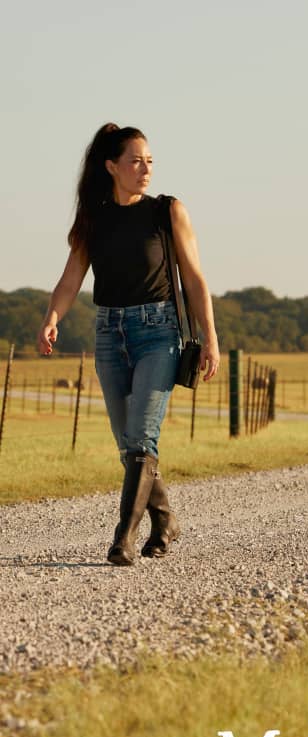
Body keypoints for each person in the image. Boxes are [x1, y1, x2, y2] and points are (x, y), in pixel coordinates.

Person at [37, 123, 220, 565]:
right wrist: (52, 317)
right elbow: (70, 279)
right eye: (136, 161)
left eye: (150, 161)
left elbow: (194, 279)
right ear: (111, 167)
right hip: (109, 334)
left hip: (159, 332)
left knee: (141, 435)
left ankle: (124, 537)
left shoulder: (167, 211)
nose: (145, 169)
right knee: (128, 444)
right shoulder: (93, 218)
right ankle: (165, 519)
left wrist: (211, 338)